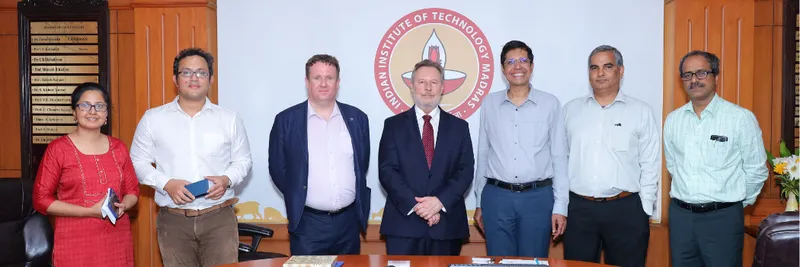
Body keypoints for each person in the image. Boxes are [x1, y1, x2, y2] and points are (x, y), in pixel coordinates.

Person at [129, 47, 252, 267]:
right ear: (175, 79)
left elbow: (243, 161)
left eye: (201, 73)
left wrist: (226, 180)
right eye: (186, 72)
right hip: (173, 221)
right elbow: (137, 162)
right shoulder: (153, 118)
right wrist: (166, 184)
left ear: (211, 79)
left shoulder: (230, 119)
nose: (194, 78)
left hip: (219, 218)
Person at [664, 50, 768, 267]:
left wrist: (732, 204)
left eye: (701, 73)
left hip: (723, 219)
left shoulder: (740, 118)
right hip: (682, 219)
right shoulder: (673, 120)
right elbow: (673, 165)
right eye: (687, 75)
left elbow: (756, 170)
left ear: (716, 77)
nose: (694, 80)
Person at [562, 45, 659, 267]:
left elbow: (650, 162)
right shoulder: (570, 110)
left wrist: (645, 207)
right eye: (594, 67)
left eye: (607, 66)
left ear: (620, 70)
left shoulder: (640, 111)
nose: (600, 73)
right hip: (579, 210)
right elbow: (561, 159)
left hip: (625, 209)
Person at [472, 40, 568, 257]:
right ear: (503, 69)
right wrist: (479, 201)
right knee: (499, 260)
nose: (517, 66)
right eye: (511, 62)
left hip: (538, 198)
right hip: (497, 198)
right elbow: (484, 153)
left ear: (532, 67)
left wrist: (560, 206)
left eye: (523, 60)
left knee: (533, 260)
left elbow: (559, 157)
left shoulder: (550, 104)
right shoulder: (489, 103)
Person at [268, 54, 371, 255]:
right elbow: (279, 170)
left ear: (338, 83)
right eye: (317, 78)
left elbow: (361, 164)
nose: (323, 84)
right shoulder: (286, 121)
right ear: (307, 82)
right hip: (308, 224)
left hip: (349, 224)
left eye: (329, 78)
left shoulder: (357, 118)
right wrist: (299, 193)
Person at [32, 82, 140, 266]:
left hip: (117, 240)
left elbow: (133, 191)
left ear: (106, 114)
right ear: (74, 112)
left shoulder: (119, 148)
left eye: (99, 106)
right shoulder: (58, 149)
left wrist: (124, 205)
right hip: (75, 241)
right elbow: (41, 200)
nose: (92, 111)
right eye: (84, 105)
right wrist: (89, 212)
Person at [378, 59, 474, 255]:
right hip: (403, 226)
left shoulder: (460, 127)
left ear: (443, 87)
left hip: (446, 227)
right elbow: (387, 171)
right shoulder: (393, 125)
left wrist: (439, 202)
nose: (428, 88)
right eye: (422, 82)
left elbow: (465, 171)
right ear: (412, 86)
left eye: (434, 82)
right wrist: (418, 206)